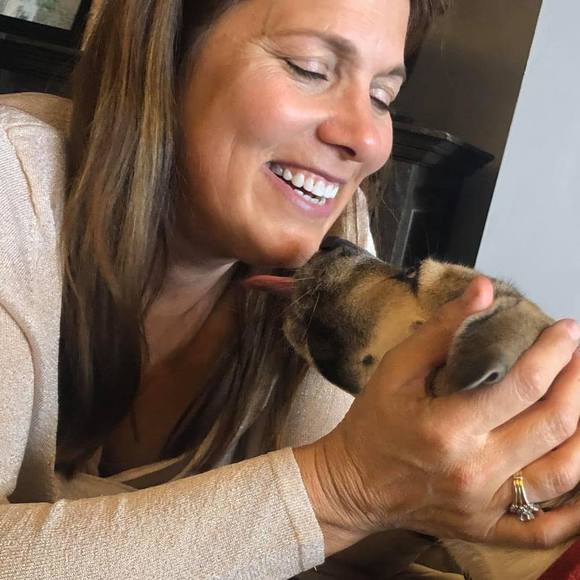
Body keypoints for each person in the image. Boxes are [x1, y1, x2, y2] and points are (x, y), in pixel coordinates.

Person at [1, 0, 579, 578]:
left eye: (382, 97)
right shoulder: (12, 185)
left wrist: (462, 496)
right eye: (309, 68)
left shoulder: (329, 234)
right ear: (164, 52)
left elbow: (319, 546)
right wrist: (340, 490)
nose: (368, 140)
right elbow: (330, 504)